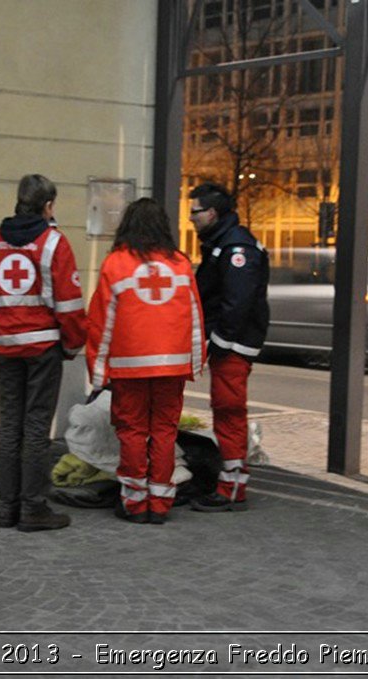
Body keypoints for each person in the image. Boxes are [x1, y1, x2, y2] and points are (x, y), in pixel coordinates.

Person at [0, 174, 86, 532]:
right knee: (36, 426)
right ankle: (33, 508)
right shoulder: (53, 243)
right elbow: (68, 303)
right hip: (43, 347)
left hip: (5, 346)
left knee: (8, 423)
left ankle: (6, 507)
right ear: (48, 206)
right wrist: (71, 344)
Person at [86, 198, 205, 524]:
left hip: (130, 367)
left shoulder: (116, 264)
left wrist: (97, 372)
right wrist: (196, 363)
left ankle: (135, 503)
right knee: (165, 432)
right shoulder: (180, 264)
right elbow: (196, 318)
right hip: (172, 367)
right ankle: (160, 503)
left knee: (133, 432)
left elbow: (101, 324)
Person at [188, 182, 270, 512]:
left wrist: (219, 342)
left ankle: (232, 486)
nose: (191, 218)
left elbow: (237, 302)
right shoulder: (224, 244)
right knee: (225, 408)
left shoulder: (236, 248)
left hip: (233, 344)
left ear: (211, 213)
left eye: (194, 212)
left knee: (229, 409)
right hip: (229, 342)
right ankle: (231, 480)